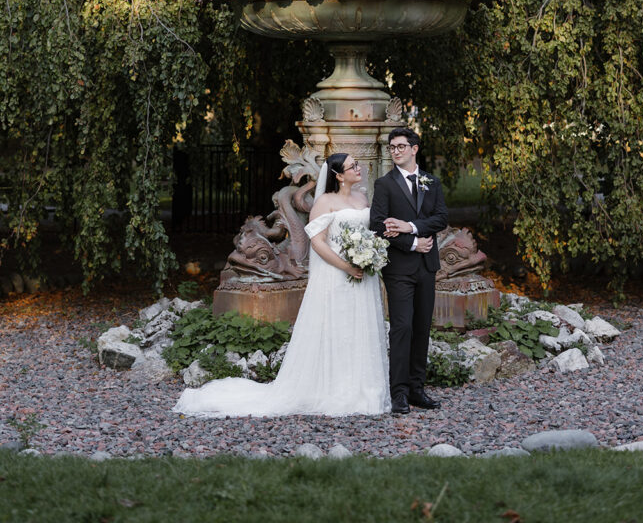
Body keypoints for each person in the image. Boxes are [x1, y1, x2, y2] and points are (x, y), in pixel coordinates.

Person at [173, 153, 390, 417]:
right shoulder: (324, 202)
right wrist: (346, 265)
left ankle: (362, 389)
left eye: (357, 164)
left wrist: (369, 255)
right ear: (338, 175)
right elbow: (319, 242)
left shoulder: (361, 198)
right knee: (338, 327)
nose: (359, 168)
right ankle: (334, 389)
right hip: (338, 274)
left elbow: (367, 233)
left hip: (361, 275)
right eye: (352, 166)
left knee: (358, 328)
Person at [370, 127, 449, 415]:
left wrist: (411, 226)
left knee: (421, 328)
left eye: (401, 146)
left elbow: (441, 217)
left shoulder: (432, 182)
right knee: (402, 328)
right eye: (392, 147)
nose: (396, 151)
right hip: (399, 267)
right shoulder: (384, 184)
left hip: (427, 267)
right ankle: (399, 393)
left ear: (415, 148)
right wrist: (412, 242)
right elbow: (378, 225)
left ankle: (417, 389)